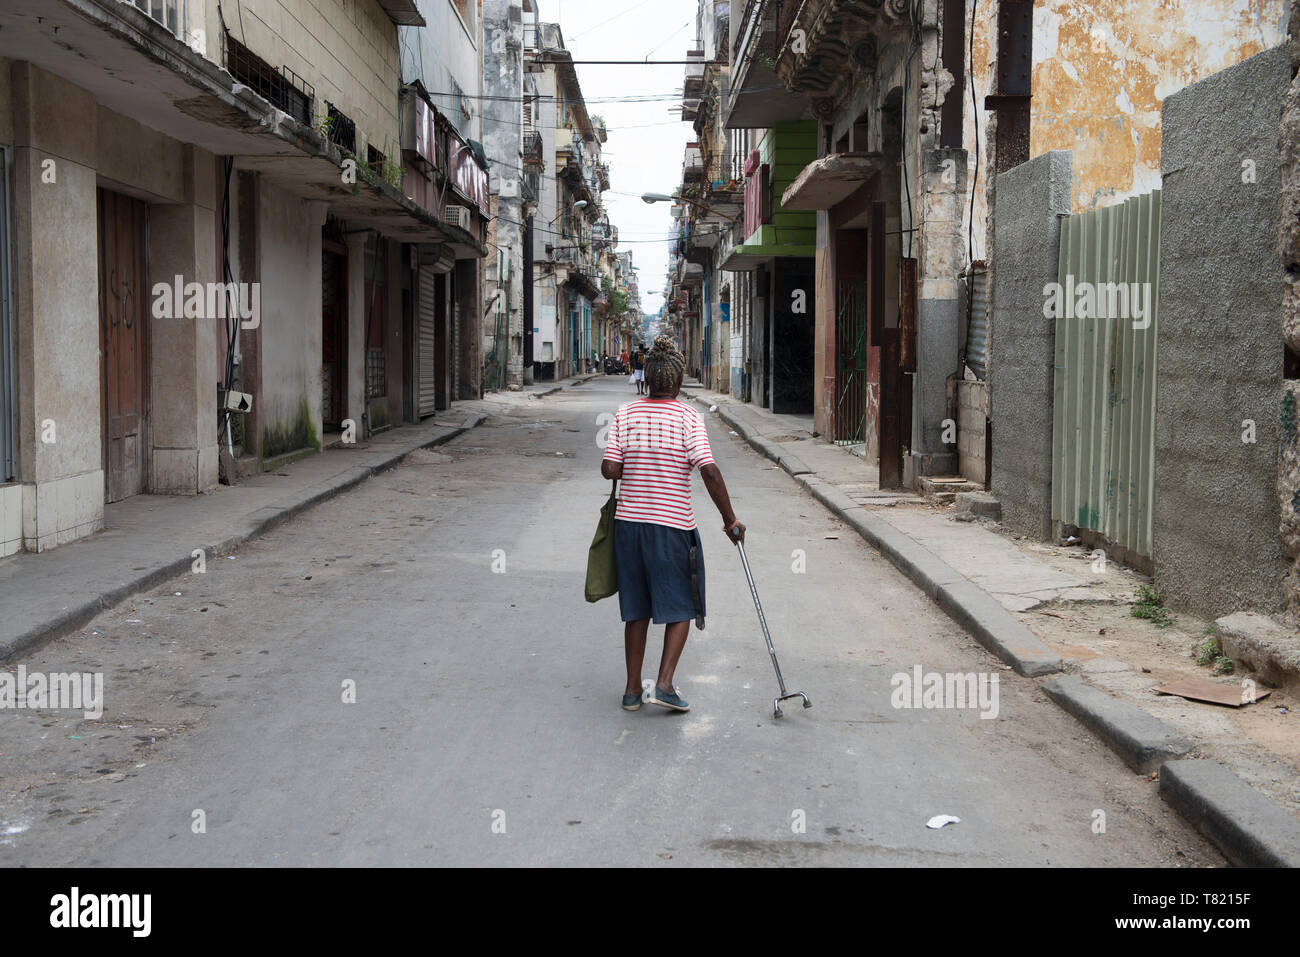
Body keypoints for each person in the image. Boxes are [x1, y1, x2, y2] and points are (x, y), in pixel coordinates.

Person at [600, 335, 745, 713]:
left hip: (629, 528)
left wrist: (628, 458)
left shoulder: (625, 414)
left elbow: (610, 469)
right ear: (678, 382)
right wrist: (730, 521)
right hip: (672, 527)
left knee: (637, 608)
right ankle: (663, 684)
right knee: (681, 605)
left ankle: (633, 690)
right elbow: (709, 471)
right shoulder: (688, 417)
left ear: (646, 380)